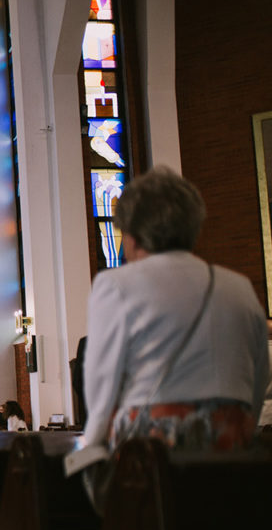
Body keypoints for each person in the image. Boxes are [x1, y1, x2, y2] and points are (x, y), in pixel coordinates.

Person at [82, 167, 266, 457]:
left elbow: (102, 387)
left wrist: (87, 450)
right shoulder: (239, 287)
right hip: (231, 445)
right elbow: (258, 379)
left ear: (132, 234)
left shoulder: (115, 284)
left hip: (151, 451)